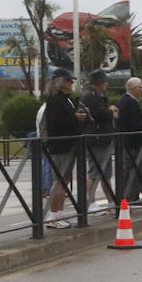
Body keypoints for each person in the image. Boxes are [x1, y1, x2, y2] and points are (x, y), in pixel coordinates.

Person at [42, 68, 89, 229]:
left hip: (69, 144)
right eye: (69, 81)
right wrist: (74, 118)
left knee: (65, 180)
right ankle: (53, 214)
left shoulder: (65, 99)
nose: (72, 83)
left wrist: (77, 118)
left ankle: (59, 212)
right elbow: (56, 124)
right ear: (61, 83)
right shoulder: (55, 100)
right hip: (60, 145)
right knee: (59, 180)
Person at [80, 69, 117, 212]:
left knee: (106, 172)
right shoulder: (90, 97)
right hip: (97, 139)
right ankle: (90, 202)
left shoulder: (97, 96)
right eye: (104, 82)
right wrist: (110, 111)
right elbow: (98, 114)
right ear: (98, 84)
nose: (106, 84)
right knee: (94, 172)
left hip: (103, 138)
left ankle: (111, 201)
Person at [115, 76, 142, 203]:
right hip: (133, 142)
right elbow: (136, 124)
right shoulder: (131, 102)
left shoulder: (122, 101)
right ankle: (132, 197)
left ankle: (127, 196)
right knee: (136, 169)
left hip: (126, 141)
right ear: (133, 88)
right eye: (140, 87)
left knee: (128, 170)